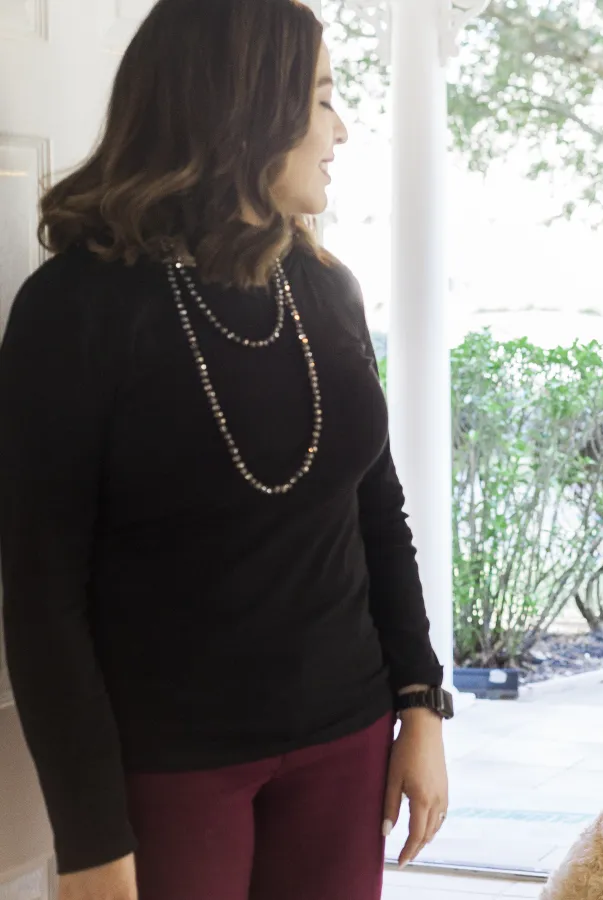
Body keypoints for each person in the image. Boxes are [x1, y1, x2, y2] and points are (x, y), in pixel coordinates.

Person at [0, 2, 453, 899]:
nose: (341, 129)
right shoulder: (75, 308)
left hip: (346, 739)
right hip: (171, 766)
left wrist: (421, 703)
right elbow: (42, 592)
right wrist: (92, 843)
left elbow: (377, 510)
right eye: (322, 98)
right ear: (248, 105)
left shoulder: (326, 288)